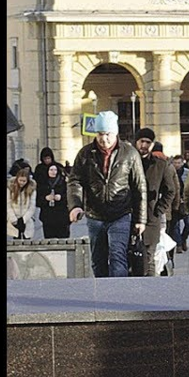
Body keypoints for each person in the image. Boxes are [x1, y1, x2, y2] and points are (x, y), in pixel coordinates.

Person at [67, 110, 147, 278]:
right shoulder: (85, 153)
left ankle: (118, 295)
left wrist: (140, 219)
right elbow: (75, 181)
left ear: (115, 132)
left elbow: (139, 187)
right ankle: (102, 293)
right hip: (94, 215)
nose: (104, 139)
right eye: (100, 134)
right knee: (98, 260)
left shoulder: (130, 153)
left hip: (121, 214)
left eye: (108, 134)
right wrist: (75, 205)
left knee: (118, 256)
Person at [133, 129, 180, 277]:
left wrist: (159, 210)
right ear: (136, 142)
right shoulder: (128, 161)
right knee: (130, 255)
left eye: (148, 142)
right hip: (128, 215)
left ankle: (150, 286)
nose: (144, 145)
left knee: (149, 255)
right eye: (142, 141)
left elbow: (171, 190)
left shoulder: (161, 165)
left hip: (151, 216)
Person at [36, 162, 71, 239]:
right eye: (51, 170)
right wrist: (46, 198)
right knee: (49, 238)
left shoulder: (63, 183)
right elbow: (37, 200)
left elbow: (69, 197)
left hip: (62, 215)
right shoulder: (43, 183)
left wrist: (61, 197)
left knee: (63, 238)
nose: (53, 172)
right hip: (48, 215)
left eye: (55, 170)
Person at [168, 154, 189, 254]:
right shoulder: (170, 172)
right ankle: (179, 244)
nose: (177, 165)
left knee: (188, 223)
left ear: (183, 163)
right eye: (175, 163)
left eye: (179, 163)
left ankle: (183, 238)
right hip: (175, 202)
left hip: (186, 202)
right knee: (175, 225)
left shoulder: (188, 173)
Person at [7, 166, 36, 240]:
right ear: (17, 179)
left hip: (26, 219)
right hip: (13, 219)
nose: (22, 183)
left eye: (24, 181)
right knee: (14, 241)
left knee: (27, 240)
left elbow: (32, 206)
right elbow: (8, 204)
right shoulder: (10, 188)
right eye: (20, 180)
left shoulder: (32, 190)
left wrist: (24, 219)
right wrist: (13, 218)